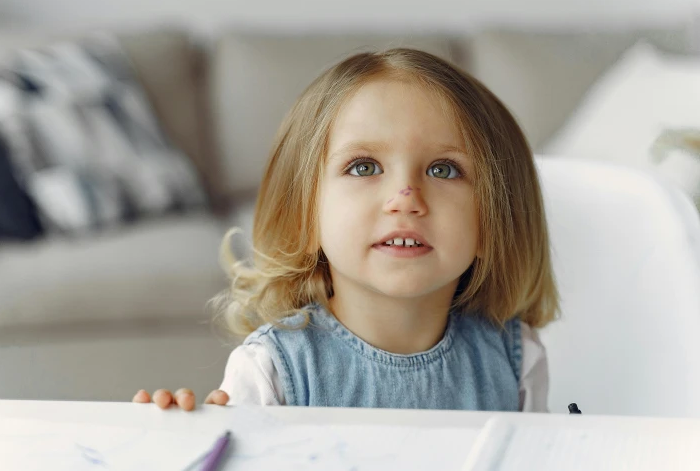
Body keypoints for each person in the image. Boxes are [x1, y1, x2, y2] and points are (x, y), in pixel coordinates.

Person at [133, 47, 560, 412]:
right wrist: (175, 444)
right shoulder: (270, 370)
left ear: (496, 217)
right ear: (305, 215)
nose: (405, 197)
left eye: (443, 169)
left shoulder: (515, 358)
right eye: (364, 167)